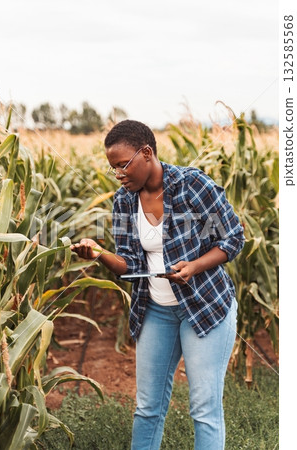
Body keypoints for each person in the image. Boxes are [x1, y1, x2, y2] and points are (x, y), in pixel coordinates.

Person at [71, 119, 245, 450]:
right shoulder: (125, 202)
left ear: (147, 153)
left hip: (204, 306)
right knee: (147, 408)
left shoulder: (192, 186)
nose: (120, 175)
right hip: (155, 311)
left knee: (204, 409)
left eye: (123, 165)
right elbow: (132, 265)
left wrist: (193, 266)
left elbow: (233, 238)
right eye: (114, 170)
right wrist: (99, 254)